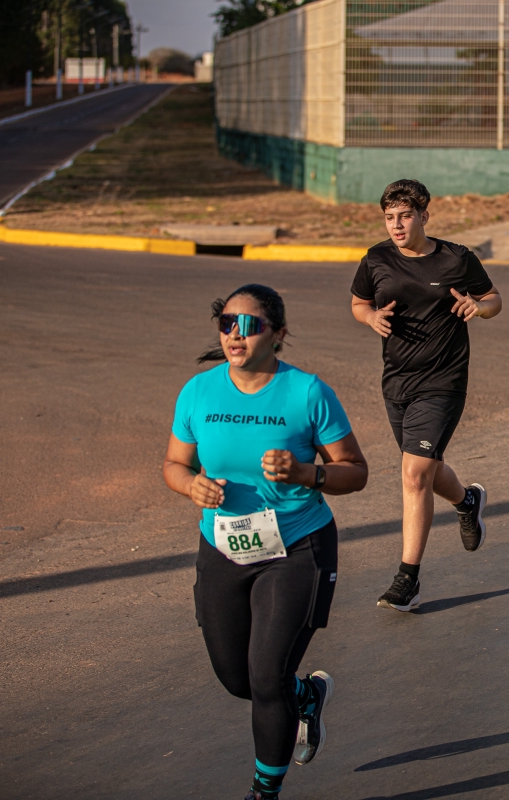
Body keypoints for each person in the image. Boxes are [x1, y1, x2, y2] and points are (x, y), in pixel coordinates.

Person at [162, 284, 369, 800]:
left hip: (296, 548)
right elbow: (174, 464)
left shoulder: (307, 393)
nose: (236, 334)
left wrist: (305, 473)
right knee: (238, 680)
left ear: (277, 334)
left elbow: (355, 470)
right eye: (227, 323)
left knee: (265, 675)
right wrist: (191, 485)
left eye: (250, 325)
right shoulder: (198, 392)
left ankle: (264, 791)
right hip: (222, 548)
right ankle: (306, 695)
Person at [351, 179, 501, 612]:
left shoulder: (456, 258)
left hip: (443, 381)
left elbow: (494, 299)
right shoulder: (376, 258)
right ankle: (466, 500)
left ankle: (408, 579)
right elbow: (359, 302)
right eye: (389, 217)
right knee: (425, 470)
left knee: (414, 473)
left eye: (405, 216)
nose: (396, 225)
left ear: (424, 216)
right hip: (396, 382)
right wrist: (370, 318)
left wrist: (479, 307)